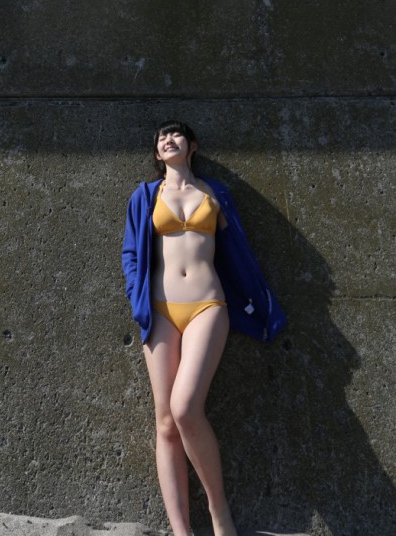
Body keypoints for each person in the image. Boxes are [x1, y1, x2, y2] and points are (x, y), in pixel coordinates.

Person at [121, 121, 286, 536]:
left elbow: (238, 252)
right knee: (165, 422)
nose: (168, 139)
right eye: (161, 137)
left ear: (192, 146)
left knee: (184, 408)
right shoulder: (145, 196)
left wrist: (258, 301)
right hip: (160, 311)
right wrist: (136, 296)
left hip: (207, 307)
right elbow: (131, 253)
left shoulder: (215, 193)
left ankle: (218, 510)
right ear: (157, 153)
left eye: (176, 134)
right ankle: (182, 531)